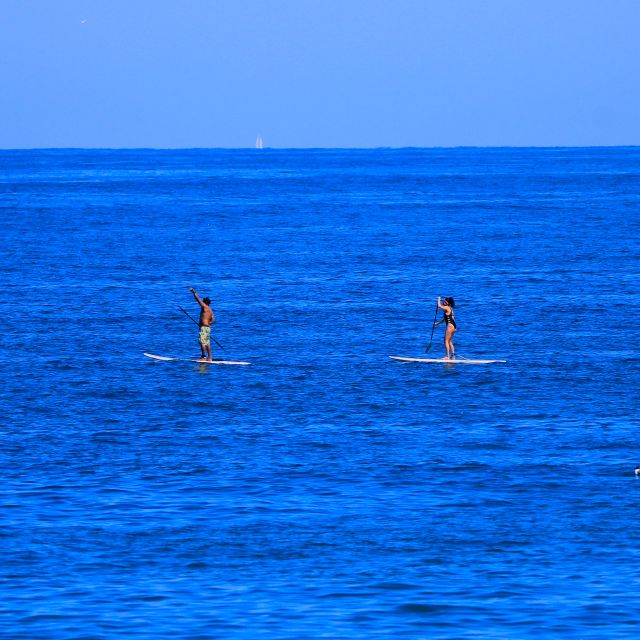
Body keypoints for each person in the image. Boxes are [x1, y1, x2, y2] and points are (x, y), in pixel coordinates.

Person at [189, 288, 214, 362]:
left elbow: (198, 299)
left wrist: (194, 292)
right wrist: (207, 323)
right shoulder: (210, 310)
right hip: (207, 328)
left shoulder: (204, 307)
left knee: (202, 342)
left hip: (203, 328)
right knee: (207, 343)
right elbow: (213, 320)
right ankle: (209, 358)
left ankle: (203, 357)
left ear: (204, 302)